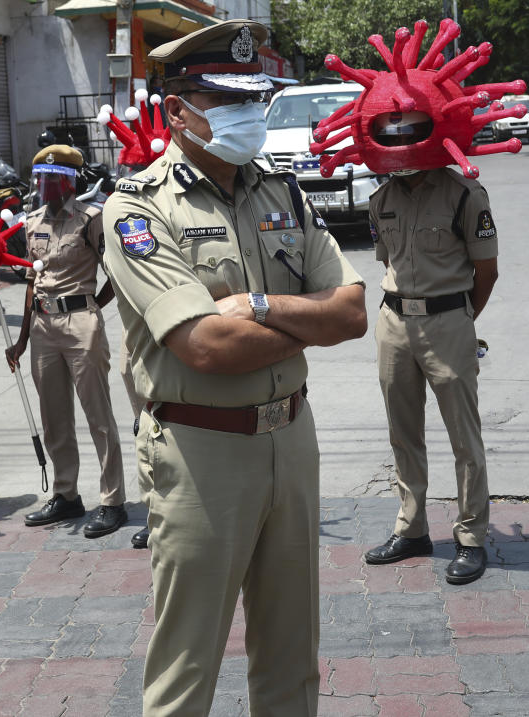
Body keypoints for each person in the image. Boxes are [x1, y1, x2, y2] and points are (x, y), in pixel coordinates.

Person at [102, 20, 367, 716]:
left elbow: (351, 312)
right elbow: (206, 347)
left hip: (291, 436)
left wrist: (254, 304)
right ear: (177, 109)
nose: (248, 114)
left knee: (291, 656)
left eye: (254, 99)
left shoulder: (283, 192)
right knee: (187, 664)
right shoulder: (137, 208)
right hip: (199, 449)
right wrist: (301, 318)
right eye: (226, 100)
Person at [363, 157, 498, 585]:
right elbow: (388, 261)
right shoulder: (380, 197)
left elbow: (487, 271)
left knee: (464, 436)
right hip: (394, 322)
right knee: (402, 433)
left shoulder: (464, 195)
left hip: (448, 320)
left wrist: (460, 319)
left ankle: (472, 537)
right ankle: (412, 529)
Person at [5, 145, 128, 539]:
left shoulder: (91, 219)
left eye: (54, 180)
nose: (46, 188)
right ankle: (66, 494)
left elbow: (117, 272)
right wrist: (21, 339)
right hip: (42, 326)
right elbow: (30, 282)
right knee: (54, 417)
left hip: (80, 322)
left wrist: (95, 305)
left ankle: (113, 501)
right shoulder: (32, 222)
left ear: (70, 182)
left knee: (98, 416)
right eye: (42, 180)